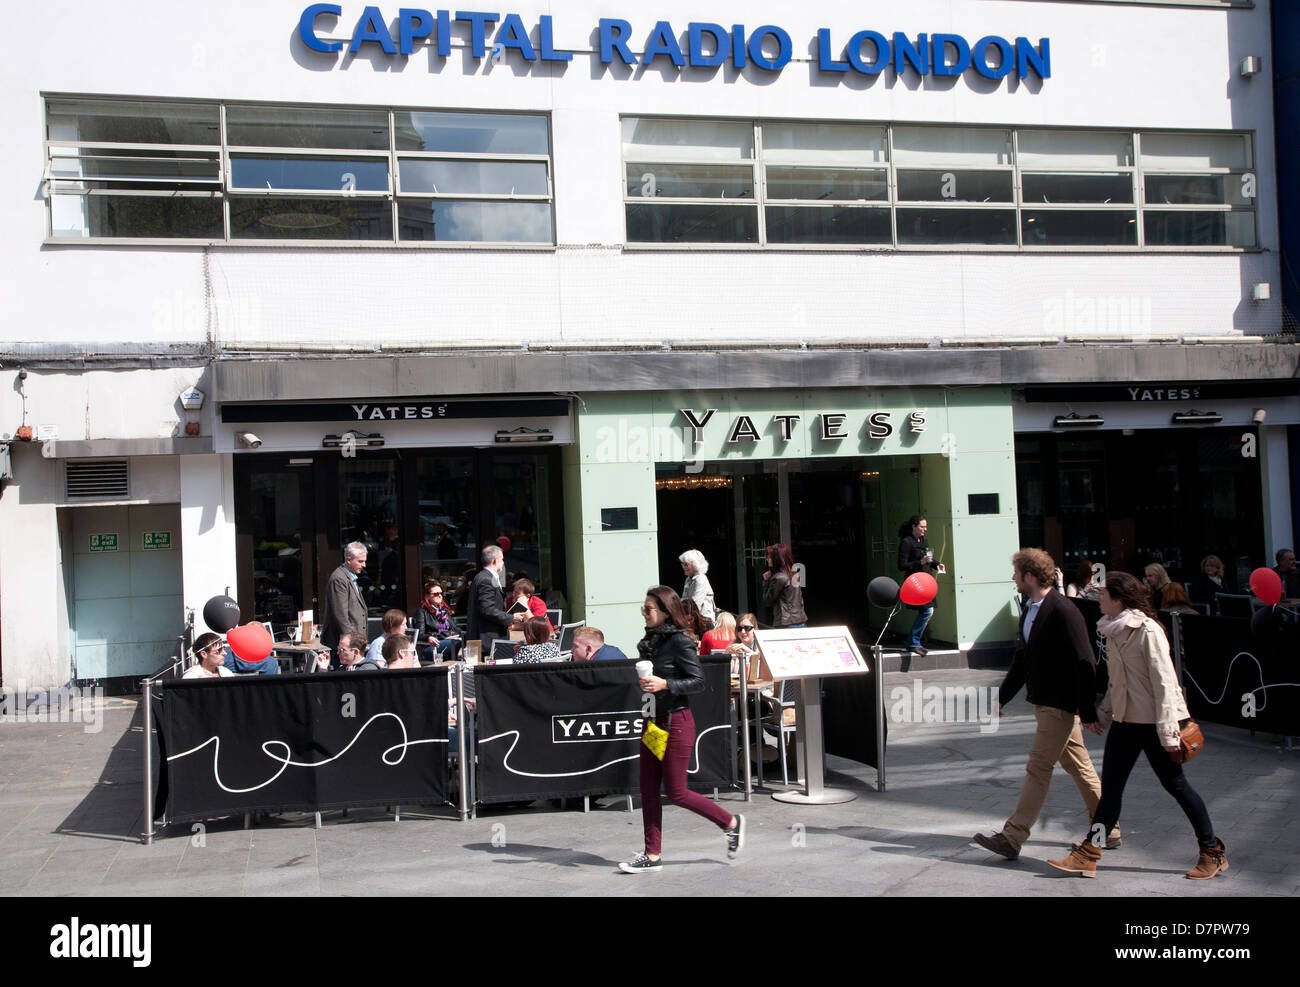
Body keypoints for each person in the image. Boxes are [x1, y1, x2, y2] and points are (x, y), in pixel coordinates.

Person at [1047, 571, 1227, 880]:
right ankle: (1089, 852)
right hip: (1126, 723)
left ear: (1118, 599)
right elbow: (1119, 684)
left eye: (1102, 594)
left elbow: (1165, 684)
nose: (1097, 598)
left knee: (1177, 786)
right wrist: (1103, 715)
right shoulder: (1113, 630)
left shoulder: (1147, 631)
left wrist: (1170, 732)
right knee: (1111, 792)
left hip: (1155, 724)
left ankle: (1211, 851)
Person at [973, 548, 1118, 861]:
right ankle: (1110, 827)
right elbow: (1022, 659)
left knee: (1038, 768)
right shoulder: (1031, 607)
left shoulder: (1064, 610)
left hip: (1060, 705)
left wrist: (1088, 709)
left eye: (1016, 573)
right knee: (1078, 765)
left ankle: (1012, 837)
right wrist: (1002, 696)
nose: (1012, 578)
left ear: (1028, 576)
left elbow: (1086, 663)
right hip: (1045, 703)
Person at [619, 585, 745, 873]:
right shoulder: (649, 642)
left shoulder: (679, 641)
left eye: (649, 608)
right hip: (653, 720)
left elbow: (698, 681)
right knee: (648, 790)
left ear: (665, 611)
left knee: (676, 792)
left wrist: (666, 684)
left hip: (676, 722)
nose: (644, 613)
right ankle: (652, 855)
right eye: (644, 608)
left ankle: (730, 822)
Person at [896, 517, 942, 655]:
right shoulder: (906, 542)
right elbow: (901, 565)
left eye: (925, 527)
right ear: (913, 527)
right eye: (922, 527)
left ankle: (915, 642)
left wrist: (936, 564)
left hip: (926, 580)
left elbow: (928, 557)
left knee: (929, 610)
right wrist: (919, 562)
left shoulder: (923, 540)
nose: (925, 529)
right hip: (915, 582)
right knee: (927, 611)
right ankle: (913, 642)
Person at [467, 544, 523, 655]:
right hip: (487, 640)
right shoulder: (485, 580)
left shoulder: (483, 577)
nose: (503, 562)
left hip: (487, 638)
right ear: (494, 561)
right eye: (502, 559)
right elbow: (487, 609)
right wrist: (511, 617)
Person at [320, 542, 369, 669]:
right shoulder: (339, 579)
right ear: (348, 559)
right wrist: (350, 644)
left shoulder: (349, 577)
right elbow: (340, 614)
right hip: (345, 646)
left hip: (352, 645)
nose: (364, 565)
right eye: (360, 561)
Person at [412, 581, 462, 663]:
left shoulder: (444, 611)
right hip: (433, 646)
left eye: (441, 593)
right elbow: (419, 634)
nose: (439, 595)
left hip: (450, 640)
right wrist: (428, 638)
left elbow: (455, 628)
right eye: (435, 594)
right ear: (427, 596)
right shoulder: (422, 612)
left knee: (468, 639)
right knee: (456, 643)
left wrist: (464, 634)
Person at [762, 542, 806, 629]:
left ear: (776, 559)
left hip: (786, 622)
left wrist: (766, 581)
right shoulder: (793, 574)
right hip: (799, 620)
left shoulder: (779, 578)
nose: (767, 559)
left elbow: (767, 600)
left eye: (769, 557)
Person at [679, 549, 718, 626]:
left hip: (703, 621)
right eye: (682, 564)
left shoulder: (701, 578)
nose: (683, 567)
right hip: (692, 619)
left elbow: (695, 603)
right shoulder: (688, 579)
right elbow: (684, 600)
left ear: (695, 565)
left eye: (686, 564)